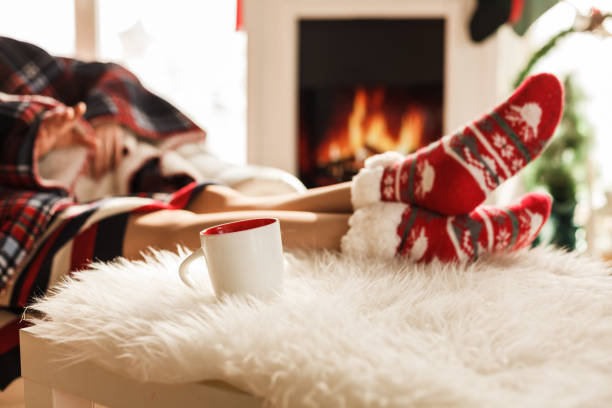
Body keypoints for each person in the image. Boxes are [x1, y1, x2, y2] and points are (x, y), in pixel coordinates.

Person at [0, 36, 563, 388]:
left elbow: (98, 76)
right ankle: (407, 219)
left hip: (80, 182)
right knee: (187, 226)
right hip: (22, 215)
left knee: (226, 201)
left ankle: (411, 186)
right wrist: (36, 130)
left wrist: (101, 120)